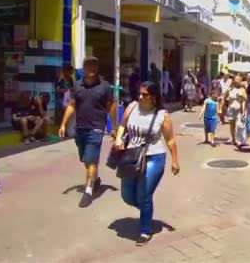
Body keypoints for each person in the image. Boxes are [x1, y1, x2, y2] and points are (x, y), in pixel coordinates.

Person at [114, 81, 180, 246]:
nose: (140, 97)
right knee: (127, 195)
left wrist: (175, 160)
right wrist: (118, 138)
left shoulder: (162, 115)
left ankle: (145, 230)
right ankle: (146, 210)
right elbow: (122, 127)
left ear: (154, 97)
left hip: (154, 157)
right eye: (140, 93)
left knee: (144, 194)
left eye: (145, 95)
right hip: (131, 157)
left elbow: (170, 139)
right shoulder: (131, 107)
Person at [59, 56, 117, 208]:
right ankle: (95, 179)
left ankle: (88, 191)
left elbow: (111, 106)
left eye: (94, 66)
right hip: (80, 129)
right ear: (83, 69)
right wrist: (63, 124)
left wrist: (114, 127)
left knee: (91, 160)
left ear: (97, 68)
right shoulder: (77, 86)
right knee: (86, 159)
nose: (91, 69)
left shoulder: (105, 87)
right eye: (88, 66)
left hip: (96, 128)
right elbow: (72, 105)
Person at [220, 75, 246, 148]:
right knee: (232, 125)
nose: (237, 81)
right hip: (231, 109)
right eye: (236, 79)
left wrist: (243, 111)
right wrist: (221, 106)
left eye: (239, 80)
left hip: (239, 110)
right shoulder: (230, 89)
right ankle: (233, 139)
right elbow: (224, 97)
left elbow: (244, 101)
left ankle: (239, 141)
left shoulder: (242, 89)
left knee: (238, 125)